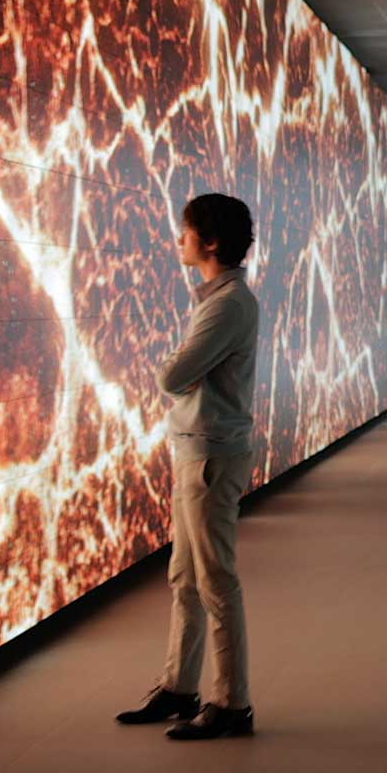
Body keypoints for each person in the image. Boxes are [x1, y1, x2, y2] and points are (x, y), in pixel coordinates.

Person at [116, 194, 261, 740]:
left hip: (210, 455)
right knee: (185, 577)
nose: (179, 239)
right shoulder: (218, 299)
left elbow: (172, 376)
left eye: (187, 230)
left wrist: (173, 368)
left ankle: (232, 702)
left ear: (212, 242)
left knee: (215, 579)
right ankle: (180, 687)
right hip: (197, 449)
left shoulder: (226, 305)